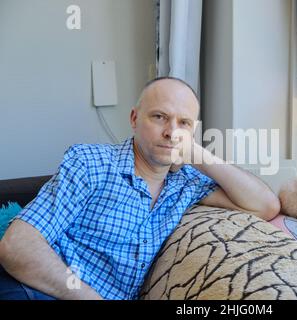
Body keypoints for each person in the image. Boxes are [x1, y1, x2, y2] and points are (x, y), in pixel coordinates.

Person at [0, 77, 280, 300]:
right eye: (160, 117)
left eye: (184, 123)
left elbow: (265, 205)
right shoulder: (90, 162)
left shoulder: (188, 184)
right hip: (34, 289)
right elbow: (16, 245)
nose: (171, 132)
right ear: (134, 119)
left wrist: (197, 154)